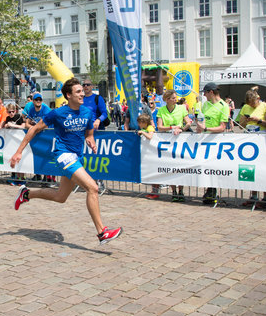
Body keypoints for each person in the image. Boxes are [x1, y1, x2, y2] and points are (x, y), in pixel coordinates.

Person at [10, 77, 123, 245]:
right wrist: (18, 152)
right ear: (68, 95)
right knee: (92, 187)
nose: (82, 93)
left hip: (77, 156)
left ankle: (26, 194)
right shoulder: (57, 113)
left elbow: (89, 131)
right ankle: (102, 232)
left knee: (60, 197)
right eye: (78, 91)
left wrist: (90, 139)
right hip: (63, 156)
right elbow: (34, 128)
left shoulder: (86, 112)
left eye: (82, 91)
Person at [234, 87, 266, 206]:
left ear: (257, 99)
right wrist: (245, 120)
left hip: (263, 140)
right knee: (251, 168)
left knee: (264, 168)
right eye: (250, 104)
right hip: (249, 141)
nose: (252, 106)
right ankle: (253, 196)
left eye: (253, 103)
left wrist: (258, 120)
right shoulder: (245, 107)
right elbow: (239, 125)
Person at [196, 83, 230, 204]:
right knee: (204, 166)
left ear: (211, 92)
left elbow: (222, 127)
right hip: (204, 140)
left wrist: (207, 129)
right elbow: (202, 120)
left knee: (214, 166)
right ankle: (209, 190)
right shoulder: (205, 105)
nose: (204, 95)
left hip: (216, 139)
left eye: (205, 92)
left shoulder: (224, 106)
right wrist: (200, 127)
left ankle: (212, 190)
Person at [157, 89, 192, 202]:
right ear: (167, 100)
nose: (175, 99)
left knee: (180, 166)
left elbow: (188, 122)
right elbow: (160, 127)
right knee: (171, 167)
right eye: (173, 98)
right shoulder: (161, 110)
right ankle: (174, 191)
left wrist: (181, 129)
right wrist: (172, 128)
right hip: (167, 141)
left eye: (175, 97)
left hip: (179, 141)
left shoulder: (181, 108)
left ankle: (181, 191)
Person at [137, 113, 160, 199]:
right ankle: (153, 191)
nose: (139, 125)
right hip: (149, 154)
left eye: (140, 123)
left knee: (154, 174)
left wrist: (143, 132)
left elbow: (150, 136)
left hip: (154, 153)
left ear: (144, 122)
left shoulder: (149, 128)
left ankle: (155, 192)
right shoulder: (144, 128)